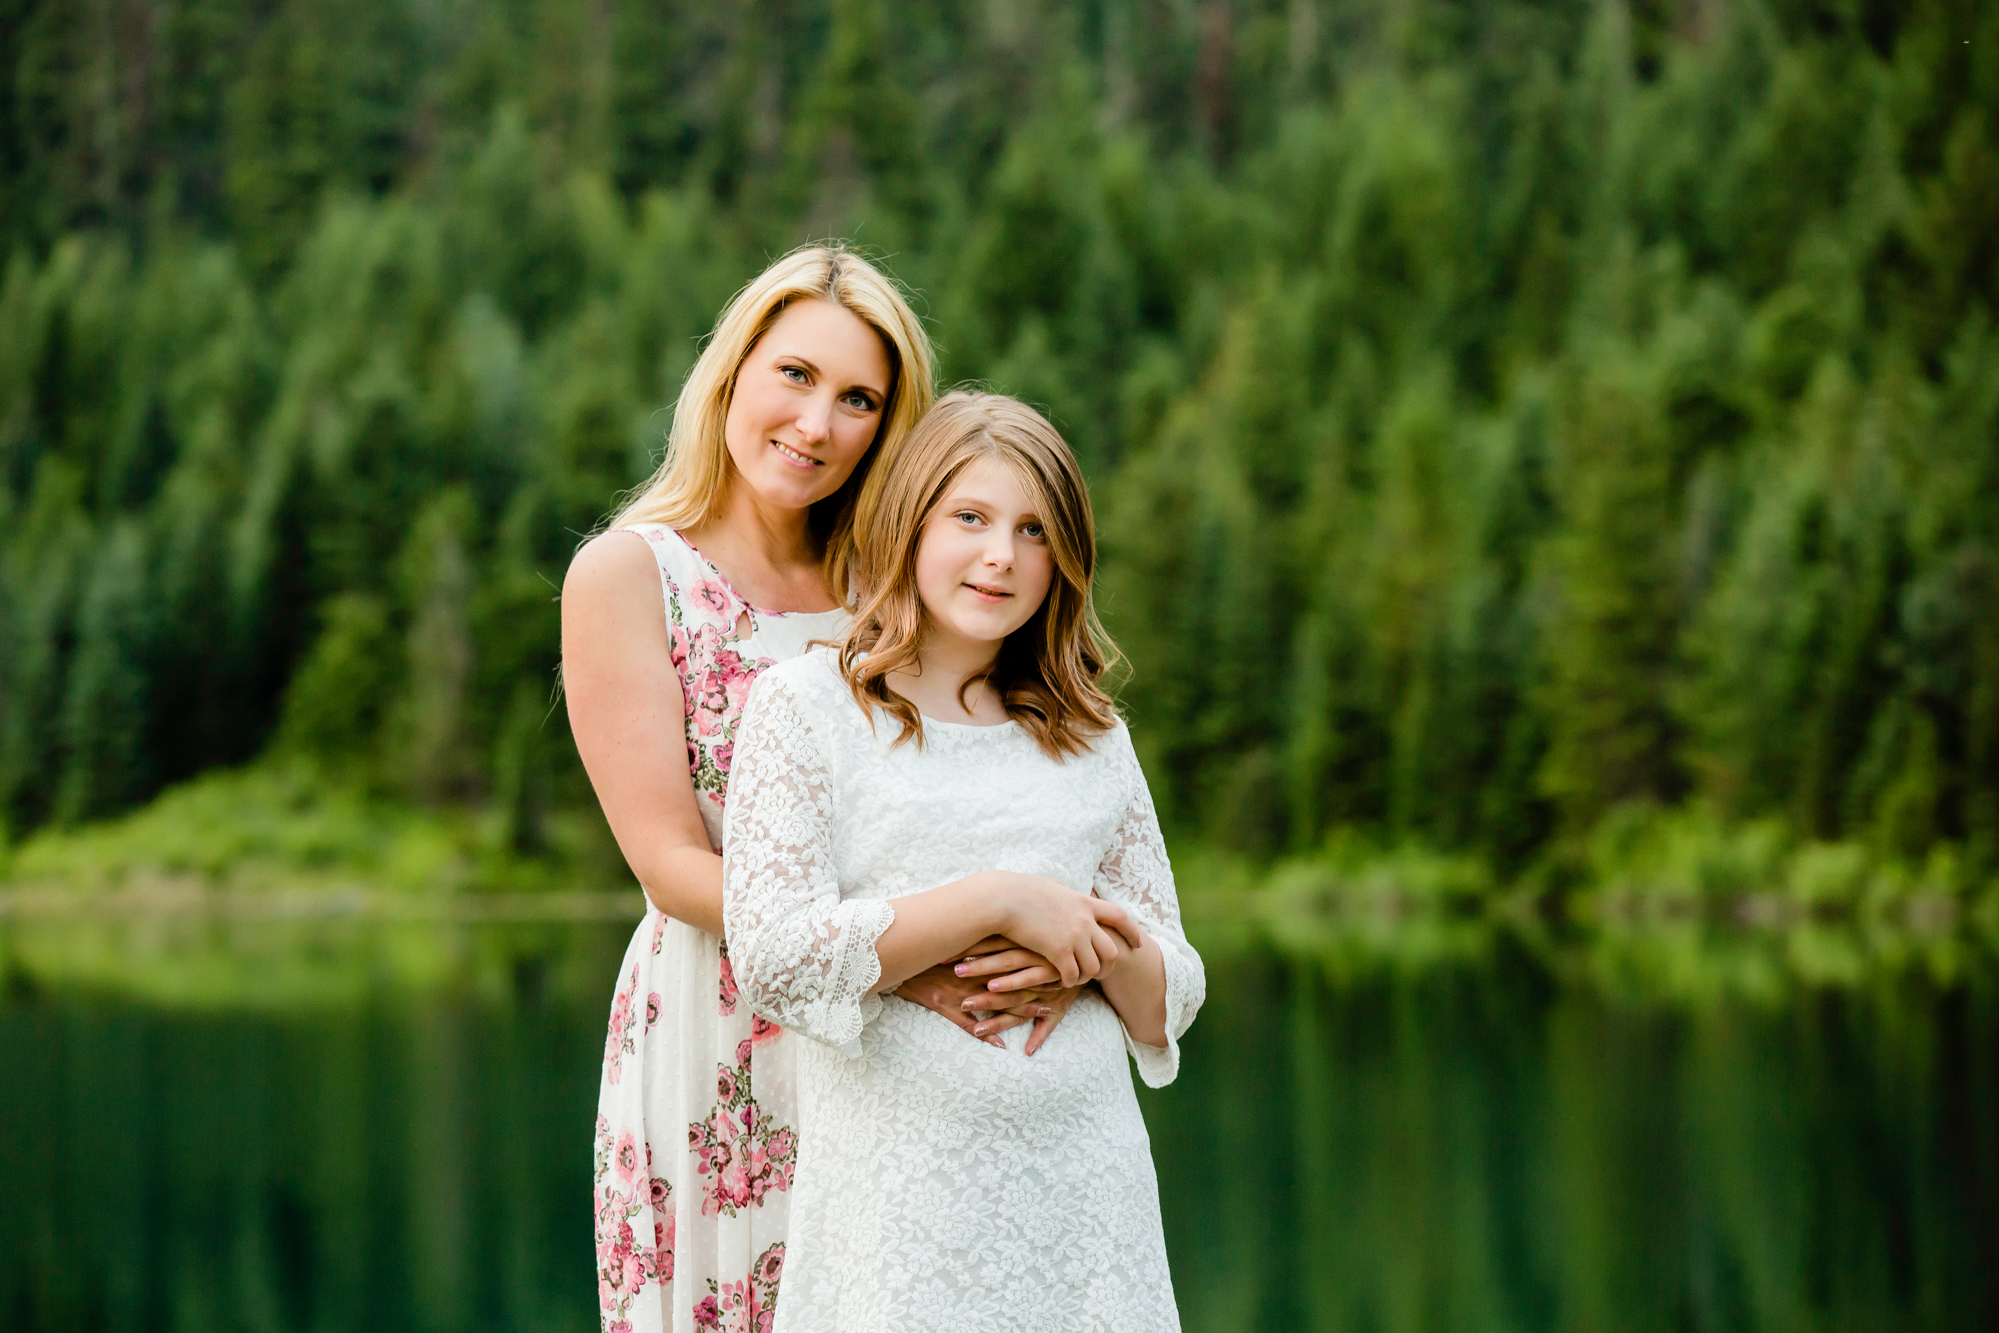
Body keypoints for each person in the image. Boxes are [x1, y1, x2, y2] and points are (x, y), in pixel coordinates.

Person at [565, 248, 1079, 1333]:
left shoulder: (892, 587)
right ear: (733, 371)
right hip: (722, 1028)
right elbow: (665, 863)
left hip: (905, 1039)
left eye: (858, 399)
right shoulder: (630, 574)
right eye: (794, 375)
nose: (816, 423)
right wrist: (895, 960)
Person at [721, 392, 1205, 1331]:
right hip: (901, 1203)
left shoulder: (1090, 735)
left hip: (1085, 1204)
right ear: (909, 522)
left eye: (1034, 530)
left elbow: (1171, 990)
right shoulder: (806, 708)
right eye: (971, 518)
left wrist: (1089, 950)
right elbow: (774, 954)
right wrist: (997, 901)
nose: (1001, 556)